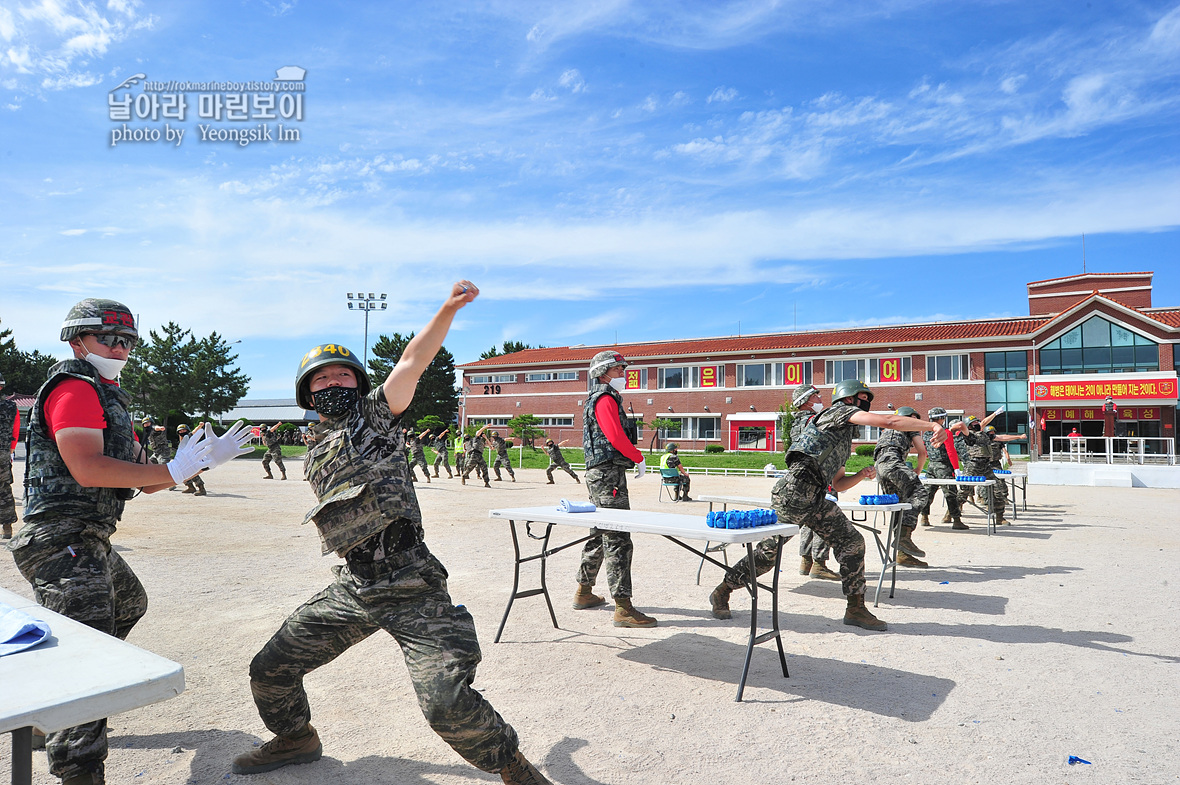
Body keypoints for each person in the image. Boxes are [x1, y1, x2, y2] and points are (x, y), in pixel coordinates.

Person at [233, 282, 552, 785]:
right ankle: (296, 738)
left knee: (445, 703)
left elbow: (411, 361)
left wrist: (447, 309)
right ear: (307, 394)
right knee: (270, 667)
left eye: (343, 375)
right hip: (356, 587)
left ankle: (513, 769)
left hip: (410, 584)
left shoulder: (374, 418)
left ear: (358, 386)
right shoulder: (315, 446)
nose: (334, 383)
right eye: (321, 379)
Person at [6, 298, 251, 785]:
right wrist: (174, 469)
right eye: (107, 338)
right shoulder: (75, 388)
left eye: (127, 341)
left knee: (128, 604)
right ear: (77, 341)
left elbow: (141, 480)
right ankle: (77, 765)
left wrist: (195, 465)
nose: (119, 348)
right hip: (61, 539)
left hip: (85, 537)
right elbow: (87, 467)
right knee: (88, 659)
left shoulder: (106, 393)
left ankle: (57, 707)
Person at [707, 379, 949, 631]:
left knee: (852, 542)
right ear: (848, 400)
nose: (865, 404)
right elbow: (889, 421)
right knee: (768, 555)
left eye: (868, 400)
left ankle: (855, 608)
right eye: (862, 399)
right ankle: (723, 590)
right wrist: (932, 425)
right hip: (795, 493)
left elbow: (839, 483)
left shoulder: (841, 440)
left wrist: (860, 475)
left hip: (817, 497)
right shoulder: (835, 412)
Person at [572, 350, 657, 628]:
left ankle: (584, 593)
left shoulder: (596, 397)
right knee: (618, 537)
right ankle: (623, 607)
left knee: (599, 533)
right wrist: (637, 456)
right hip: (609, 475)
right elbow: (615, 435)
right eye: (619, 370)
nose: (624, 374)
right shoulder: (605, 398)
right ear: (604, 372)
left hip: (599, 473)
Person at [873, 407, 955, 568]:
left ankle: (902, 554)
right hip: (893, 463)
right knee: (920, 493)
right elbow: (922, 452)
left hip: (880, 467)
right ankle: (904, 537)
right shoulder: (910, 427)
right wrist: (917, 470)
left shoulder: (887, 430)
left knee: (900, 505)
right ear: (910, 417)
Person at [788, 384, 839, 581]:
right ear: (807, 401)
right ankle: (819, 563)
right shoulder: (816, 420)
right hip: (822, 477)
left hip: (803, 479)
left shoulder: (795, 423)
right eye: (816, 396)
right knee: (823, 518)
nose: (820, 398)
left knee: (808, 519)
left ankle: (806, 561)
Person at [919, 407, 967, 529]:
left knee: (928, 492)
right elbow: (951, 451)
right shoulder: (945, 432)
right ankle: (956, 520)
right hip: (944, 466)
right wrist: (956, 468)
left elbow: (925, 451)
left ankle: (924, 517)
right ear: (941, 418)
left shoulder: (926, 433)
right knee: (951, 493)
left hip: (931, 465)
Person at [0, 372, 18, 539]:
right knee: (4, 490)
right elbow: (15, 429)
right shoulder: (11, 407)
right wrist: (11, 448)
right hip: (3, 454)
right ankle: (7, 527)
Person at [176, 424, 207, 496]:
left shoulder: (189, 436)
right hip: (184, 459)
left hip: (192, 458)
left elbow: (194, 431)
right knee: (182, 473)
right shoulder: (182, 438)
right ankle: (190, 487)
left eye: (184, 430)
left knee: (193, 473)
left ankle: (201, 489)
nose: (182, 431)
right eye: (180, 431)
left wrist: (200, 426)